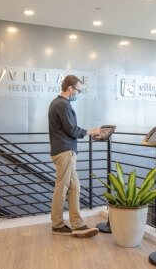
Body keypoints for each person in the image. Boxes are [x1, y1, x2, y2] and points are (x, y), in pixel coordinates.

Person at [48, 75, 101, 238]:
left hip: (65, 151)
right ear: (70, 88)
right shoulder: (63, 105)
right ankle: (57, 225)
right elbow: (71, 129)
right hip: (65, 152)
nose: (79, 93)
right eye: (78, 90)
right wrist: (90, 131)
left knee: (74, 187)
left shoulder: (57, 103)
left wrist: (87, 132)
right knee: (62, 187)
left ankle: (77, 224)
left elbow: (69, 129)